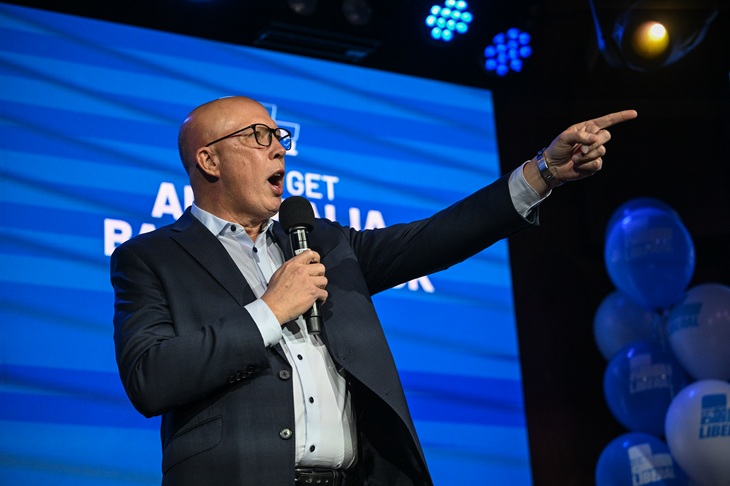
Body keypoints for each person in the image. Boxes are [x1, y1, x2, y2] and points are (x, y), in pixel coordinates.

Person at [110, 95, 636, 486]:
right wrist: (269, 311)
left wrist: (543, 172)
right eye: (258, 136)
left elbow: (436, 237)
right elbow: (150, 377)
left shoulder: (324, 241)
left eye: (279, 137)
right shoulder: (150, 258)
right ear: (209, 161)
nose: (279, 149)